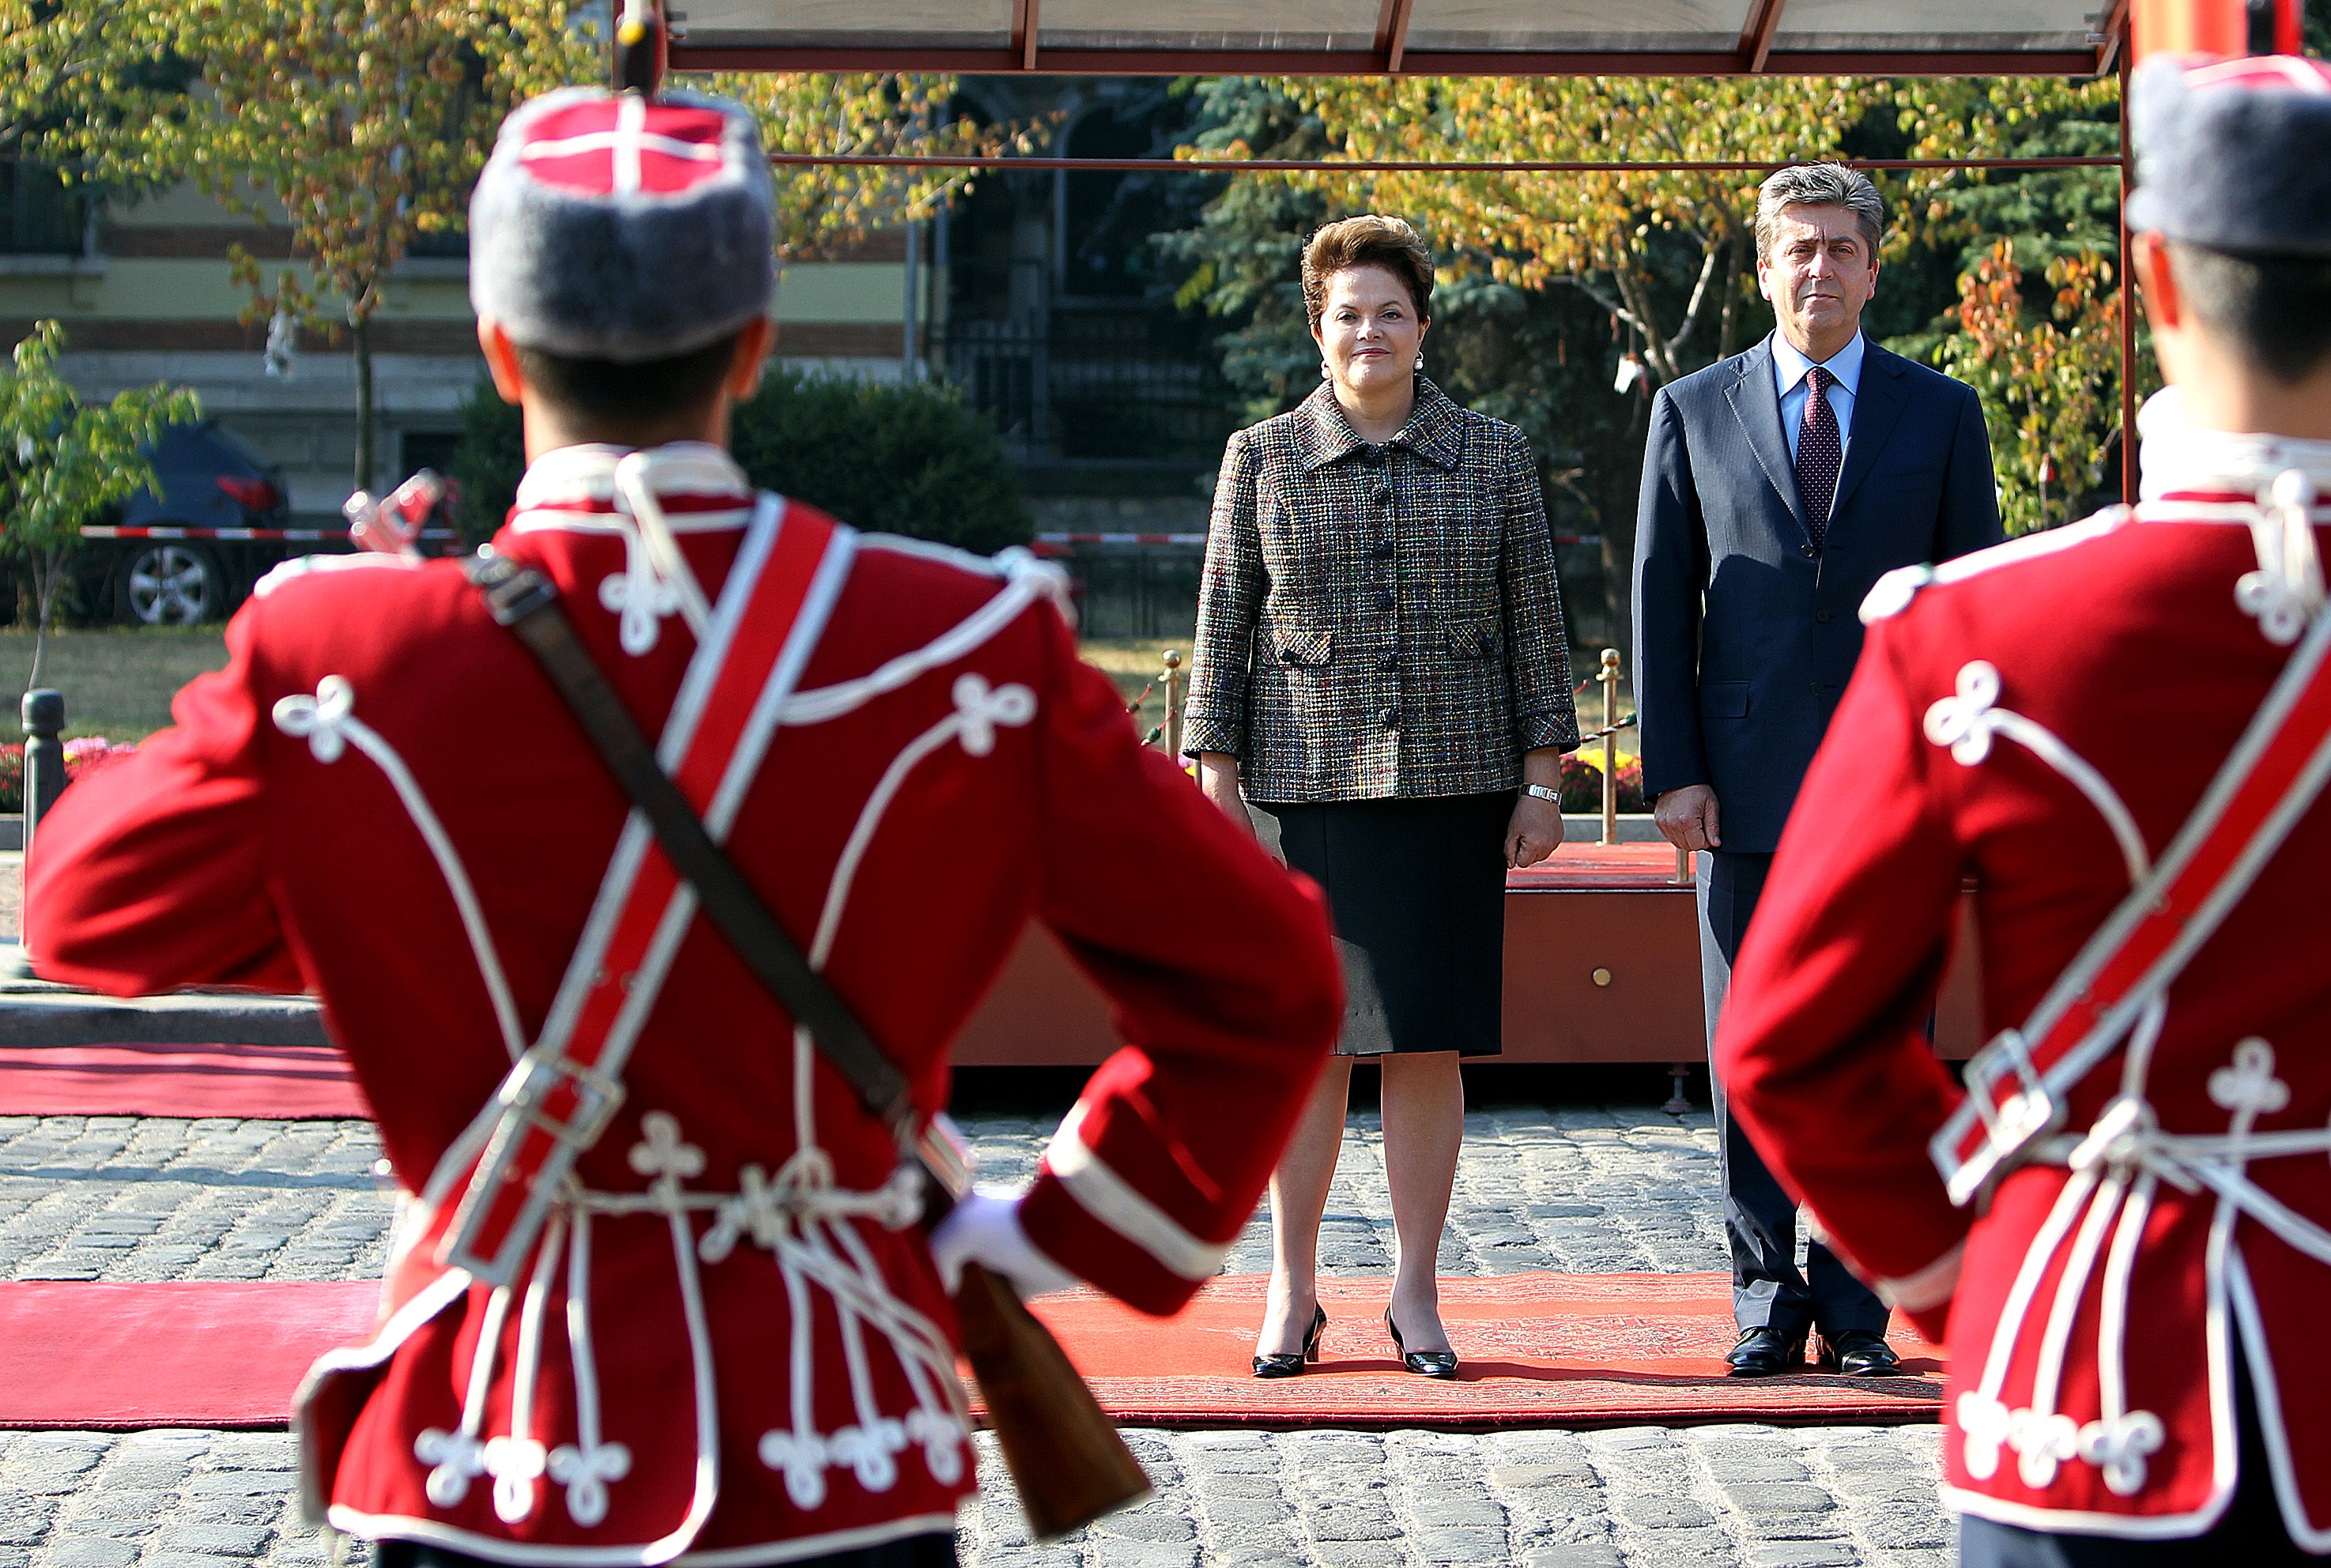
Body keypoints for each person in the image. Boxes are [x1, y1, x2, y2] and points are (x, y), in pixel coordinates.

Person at [22, 86, 1343, 1568]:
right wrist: (1032, 1241)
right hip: (834, 1455)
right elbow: (1274, 982)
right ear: (759, 345)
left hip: (489, 1457)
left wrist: (331, 707)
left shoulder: (338, 658)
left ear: (500, 349)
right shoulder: (963, 641)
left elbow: (83, 905)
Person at [1720, 54, 2331, 1563]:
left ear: (2156, 276)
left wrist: (1971, 1284)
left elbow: (1787, 1040)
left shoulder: (1964, 634)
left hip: (2086, 1373)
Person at [1182, 213, 1579, 1382]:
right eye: (1347, 313)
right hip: (1305, 794)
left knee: (1424, 1047)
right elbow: (1222, 626)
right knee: (1308, 1046)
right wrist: (1218, 782)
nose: (1370, 331)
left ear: (1422, 325)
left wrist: (1543, 779)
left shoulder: (1494, 453)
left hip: (1456, 791)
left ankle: (1415, 1291)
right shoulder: (1257, 456)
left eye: (1390, 311)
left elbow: (1534, 629)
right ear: (1317, 329)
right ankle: (1292, 1288)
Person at [1633, 162, 2005, 1379]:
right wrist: (1672, 771)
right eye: (1797, 249)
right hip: (1735, 786)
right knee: (1748, 1045)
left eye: (1841, 249)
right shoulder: (1691, 408)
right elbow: (1658, 603)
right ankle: (1761, 1292)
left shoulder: (1939, 413)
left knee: (1878, 1047)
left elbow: (1969, 607)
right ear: (1761, 265)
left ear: (1873, 267)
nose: (1819, 269)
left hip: (1895, 788)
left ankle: (1856, 1304)